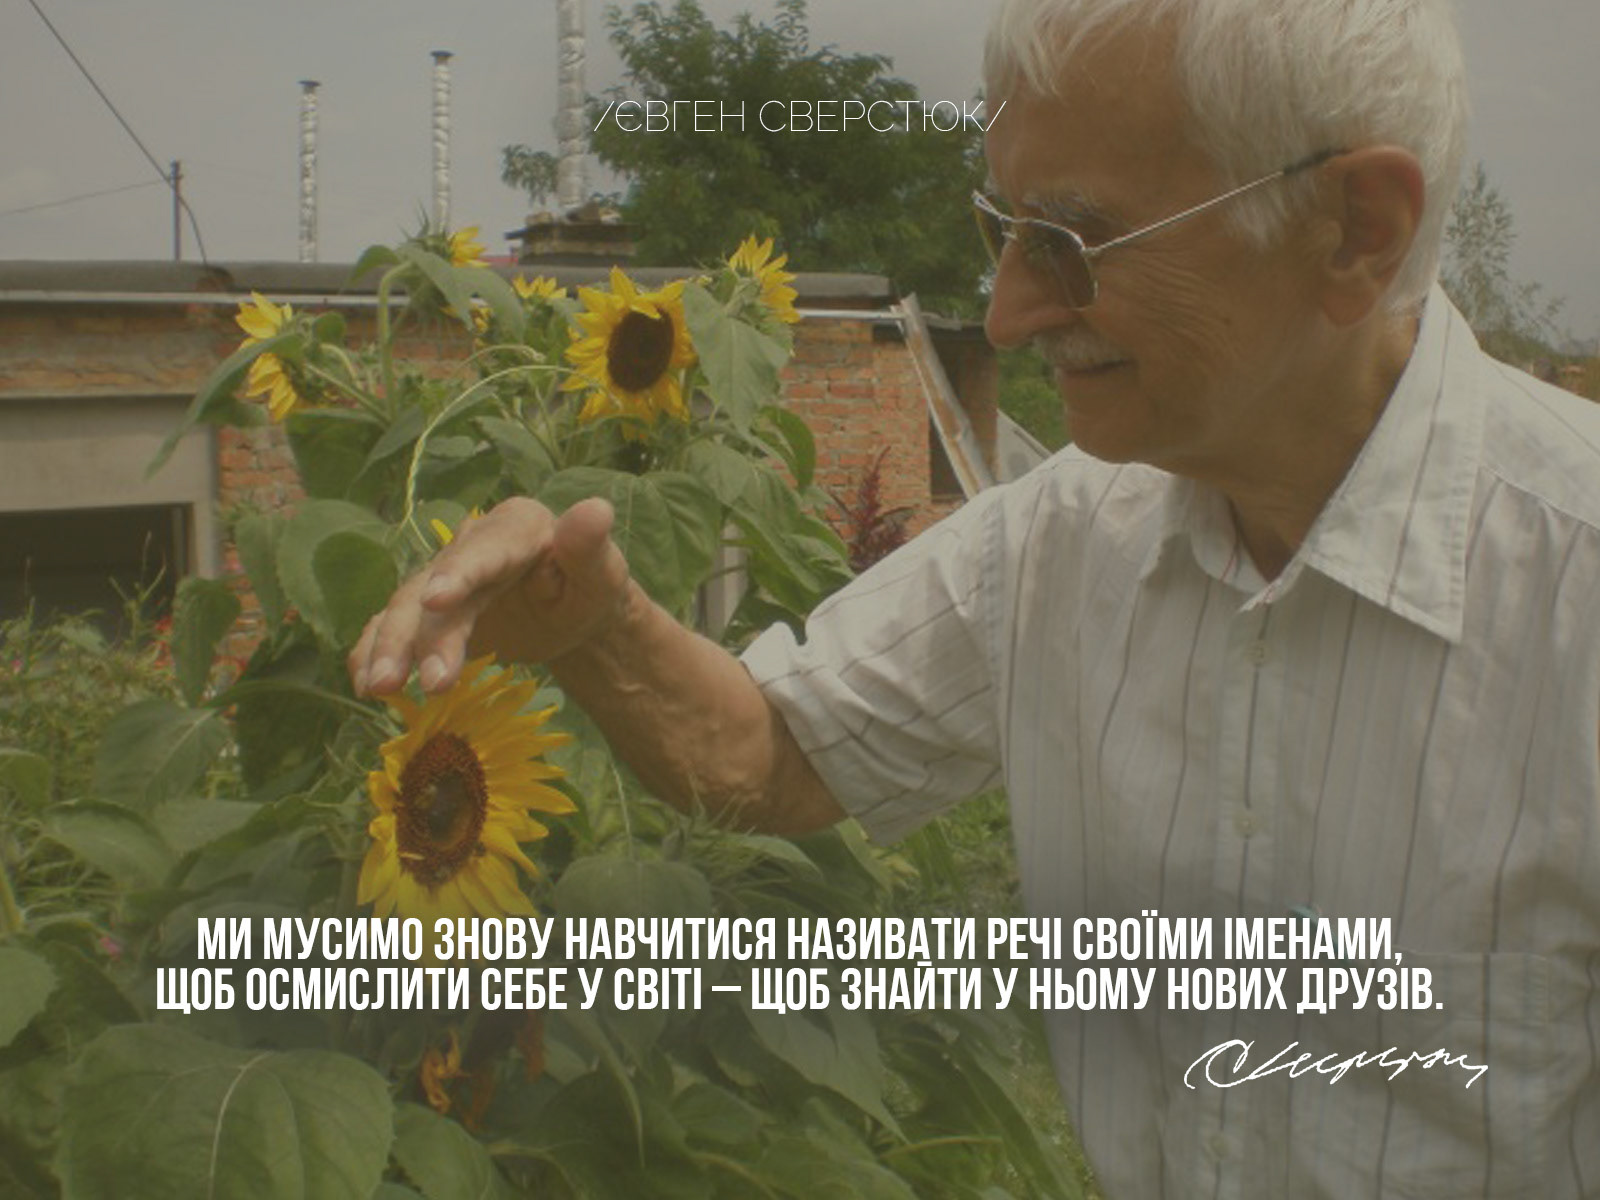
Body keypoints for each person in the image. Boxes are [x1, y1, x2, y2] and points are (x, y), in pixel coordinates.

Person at [351, 0, 1600, 1193]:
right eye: (997, 227)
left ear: (1353, 230)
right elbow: (774, 754)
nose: (1006, 313)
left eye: (1072, 241)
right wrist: (595, 626)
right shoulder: (1064, 538)